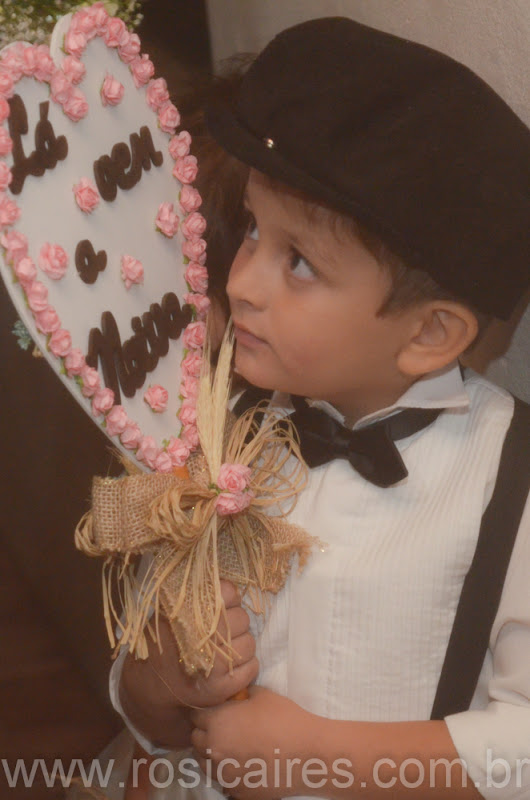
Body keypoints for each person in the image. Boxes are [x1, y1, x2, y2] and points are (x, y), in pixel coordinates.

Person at [111, 17, 530, 800]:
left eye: (298, 261)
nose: (240, 283)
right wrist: (159, 681)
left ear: (430, 334)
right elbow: (146, 712)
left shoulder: (512, 483)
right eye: (254, 232)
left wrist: (319, 755)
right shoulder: (217, 435)